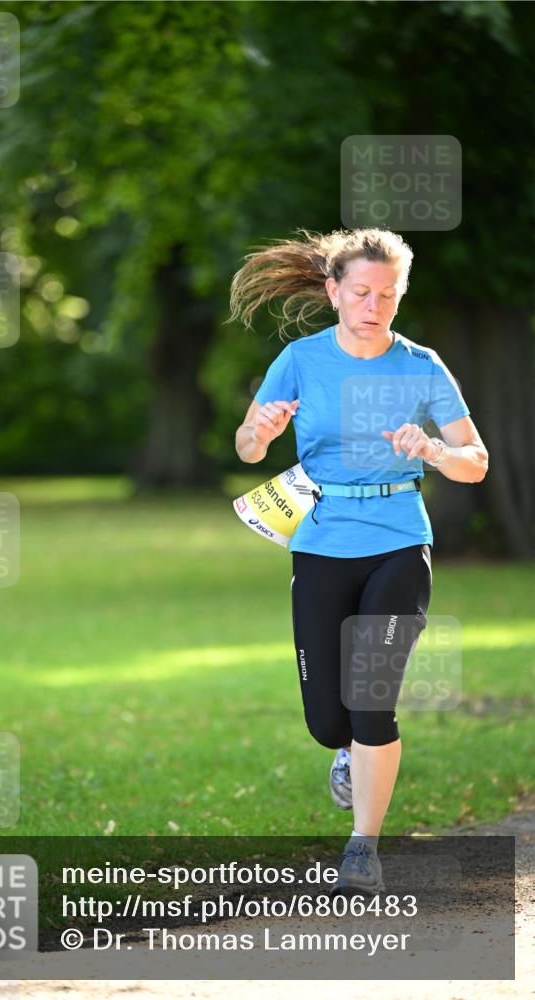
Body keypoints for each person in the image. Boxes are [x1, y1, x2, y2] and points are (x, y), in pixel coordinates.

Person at [230, 227, 489, 895]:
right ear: (332, 292)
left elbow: (475, 462)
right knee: (327, 720)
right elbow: (247, 447)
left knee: (372, 701)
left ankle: (362, 847)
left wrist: (432, 450)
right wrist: (258, 432)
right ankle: (344, 752)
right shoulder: (299, 359)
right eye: (361, 292)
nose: (373, 306)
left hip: (400, 540)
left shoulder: (421, 365)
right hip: (319, 543)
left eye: (387, 294)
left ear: (399, 296)